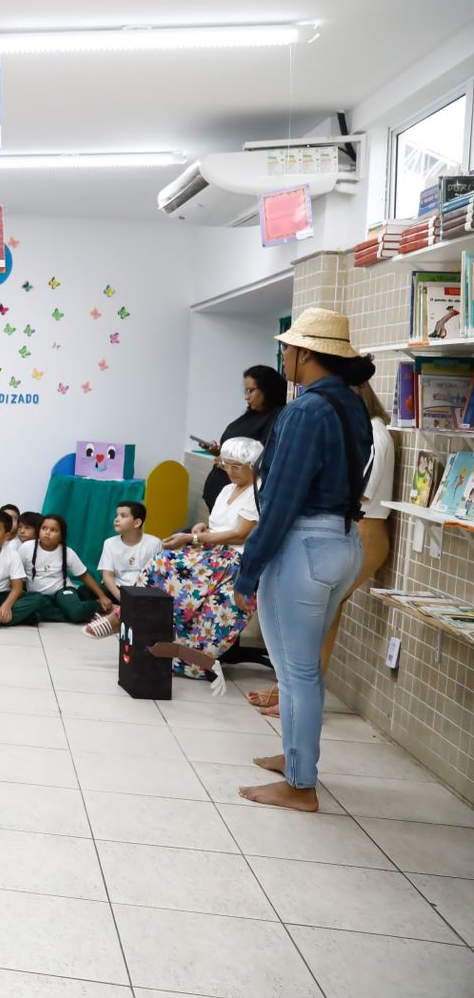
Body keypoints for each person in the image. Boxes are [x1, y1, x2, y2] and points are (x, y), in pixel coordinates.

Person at [233, 310, 374, 813]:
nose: (284, 357)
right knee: (303, 668)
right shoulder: (351, 406)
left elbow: (284, 497)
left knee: (295, 674)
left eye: (288, 350)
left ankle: (300, 785)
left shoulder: (305, 411)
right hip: (343, 544)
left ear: (307, 353)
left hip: (303, 548)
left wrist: (248, 570)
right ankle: (293, 759)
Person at [249, 378, 395, 717]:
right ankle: (294, 695)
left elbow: (358, 492)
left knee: (313, 622)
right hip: (354, 529)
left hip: (365, 531)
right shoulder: (365, 428)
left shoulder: (372, 432)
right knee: (318, 621)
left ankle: (297, 700)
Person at [141, 437, 262, 689]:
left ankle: (186, 656)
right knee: (161, 564)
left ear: (254, 465)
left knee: (168, 564)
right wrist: (201, 528)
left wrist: (192, 537)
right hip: (213, 553)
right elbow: (216, 526)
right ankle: (135, 620)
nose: (230, 471)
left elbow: (239, 534)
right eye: (227, 465)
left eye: (237, 466)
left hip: (234, 560)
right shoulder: (227, 489)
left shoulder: (258, 492)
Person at [201, 365, 287, 510]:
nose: (246, 397)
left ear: (267, 389)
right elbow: (242, 451)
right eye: (245, 391)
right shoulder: (250, 415)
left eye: (251, 391)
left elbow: (261, 459)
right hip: (221, 496)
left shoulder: (276, 418)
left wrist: (224, 463)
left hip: (240, 502)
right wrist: (220, 452)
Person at [83, 500, 164, 638]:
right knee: (84, 591)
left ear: (137, 522)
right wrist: (120, 596)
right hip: (118, 591)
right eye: (116, 515)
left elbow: (157, 576)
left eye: (123, 516)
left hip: (141, 591)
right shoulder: (109, 543)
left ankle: (115, 614)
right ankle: (119, 609)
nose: (117, 519)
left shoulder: (154, 543)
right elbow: (107, 576)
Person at [21, 513, 113, 623]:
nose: (47, 533)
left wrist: (102, 597)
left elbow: (84, 576)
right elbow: (17, 575)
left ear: (61, 536)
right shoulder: (26, 547)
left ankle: (97, 606)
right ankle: (73, 613)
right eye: (44, 528)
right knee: (33, 608)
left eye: (53, 530)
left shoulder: (67, 552)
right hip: (38, 596)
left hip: (62, 590)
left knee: (76, 612)